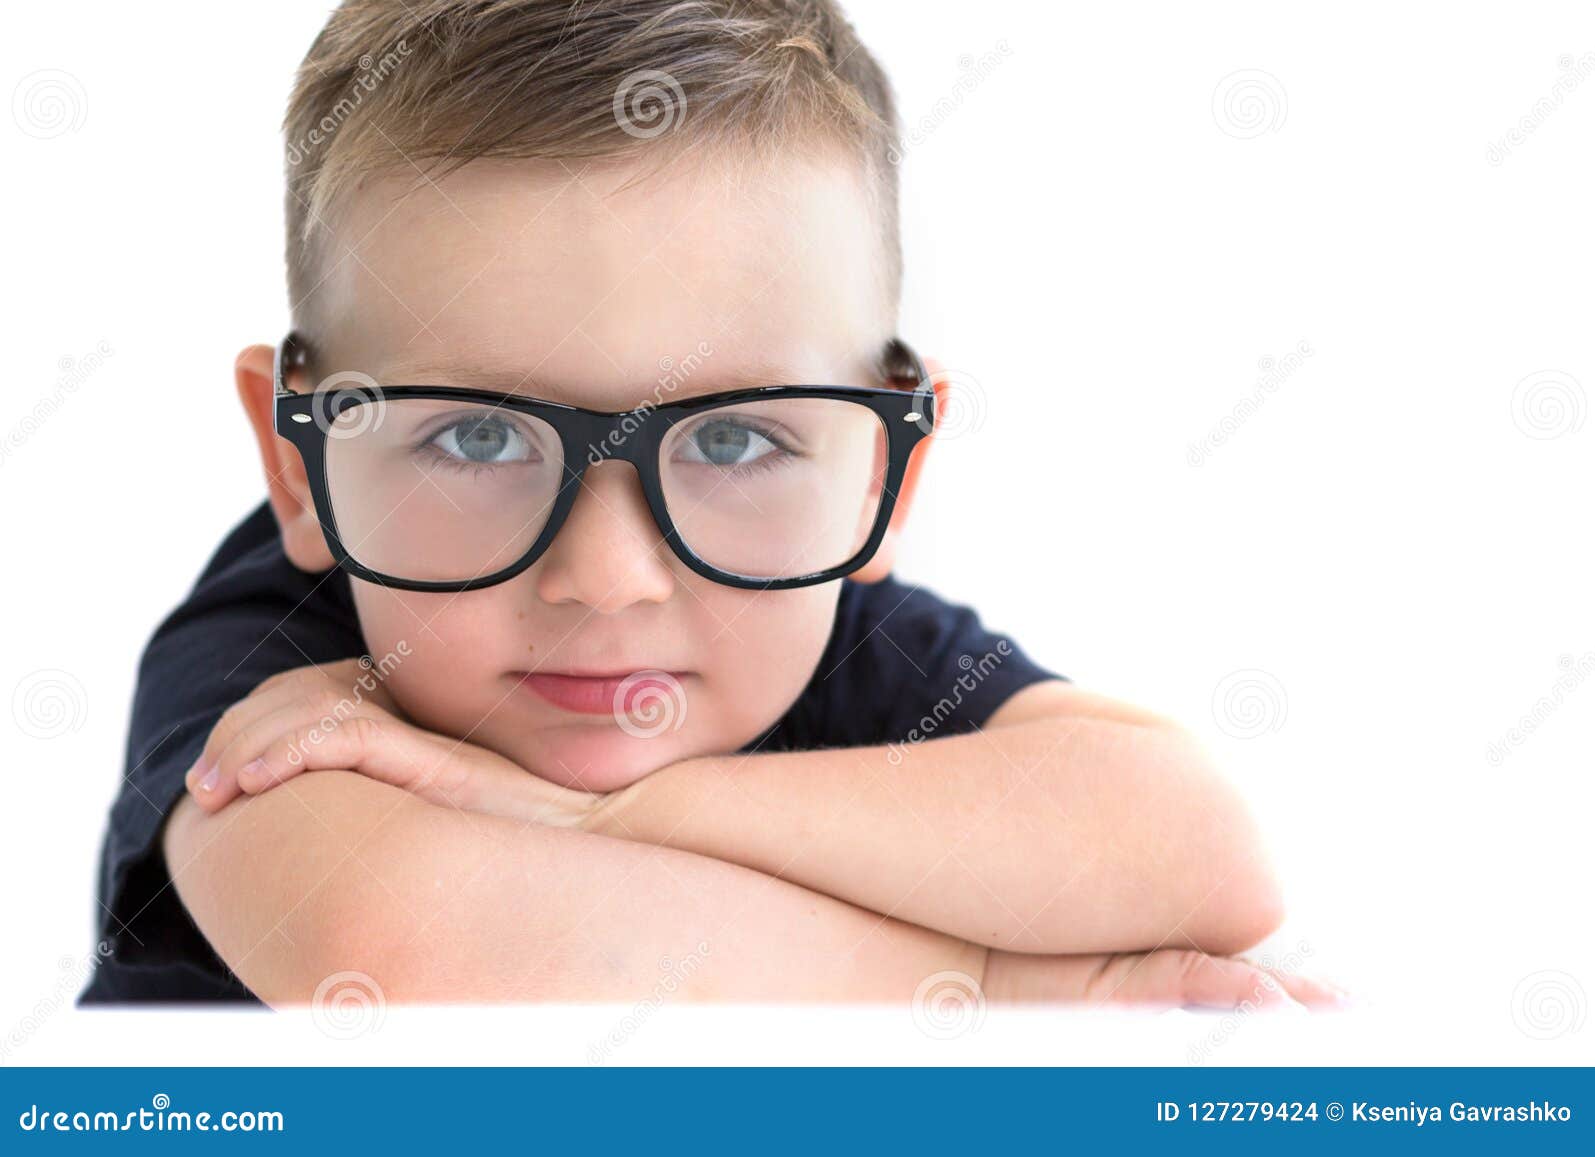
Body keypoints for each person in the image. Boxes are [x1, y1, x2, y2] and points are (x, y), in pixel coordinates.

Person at [84, 0, 1326, 1008]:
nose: (609, 576)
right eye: (477, 435)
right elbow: (409, 952)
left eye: (733, 439)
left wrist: (593, 812)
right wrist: (989, 983)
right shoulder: (284, 665)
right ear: (298, 464)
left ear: (884, 472)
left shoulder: (817, 624)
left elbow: (1202, 851)